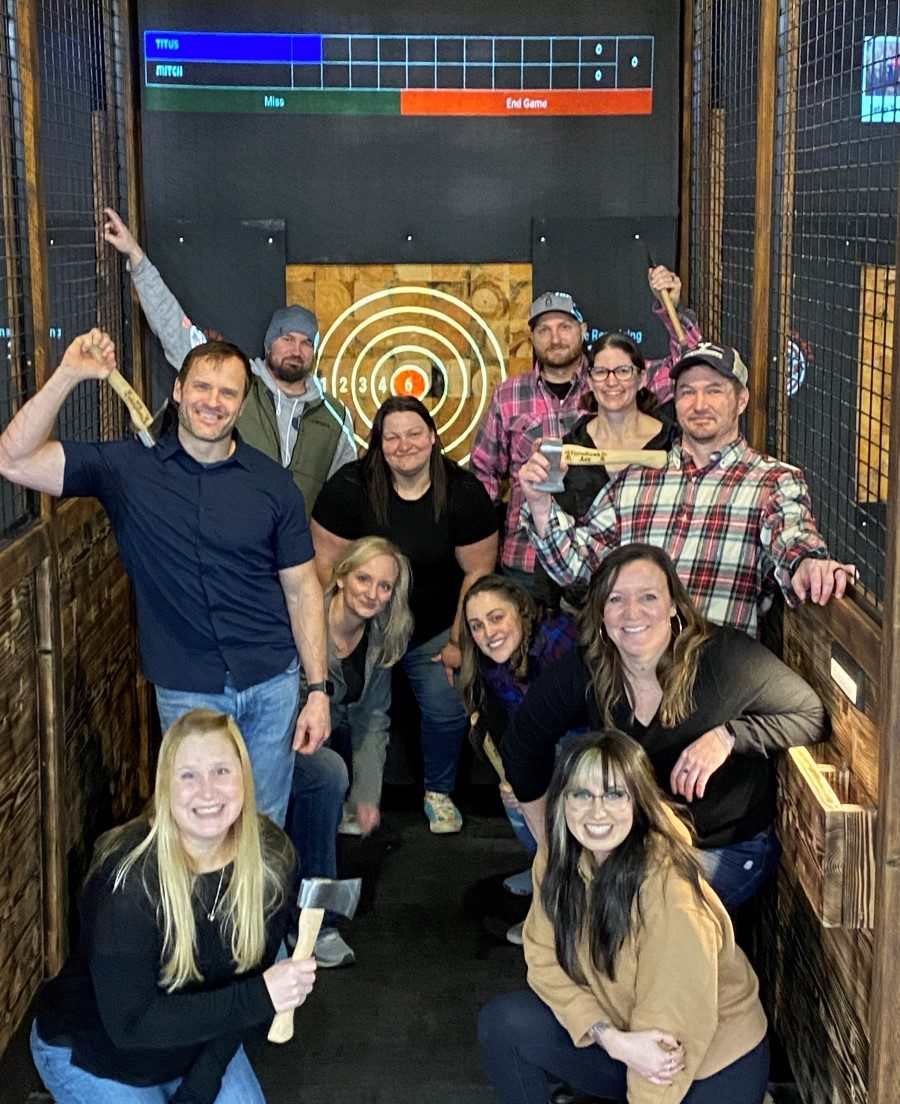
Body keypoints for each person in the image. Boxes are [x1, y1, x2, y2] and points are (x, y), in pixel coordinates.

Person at [0, 331, 330, 826]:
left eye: (227, 393)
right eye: (202, 387)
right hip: (186, 686)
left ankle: (259, 908)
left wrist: (319, 691)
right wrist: (68, 373)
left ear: (242, 404)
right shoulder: (126, 468)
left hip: (271, 680)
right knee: (198, 826)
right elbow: (14, 459)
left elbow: (302, 587)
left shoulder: (272, 483)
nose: (212, 403)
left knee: (263, 828)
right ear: (178, 391)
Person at [501, 543, 827, 910]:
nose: (631, 612)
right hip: (636, 841)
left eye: (649, 597)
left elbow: (810, 713)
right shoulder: (588, 665)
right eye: (616, 599)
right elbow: (522, 741)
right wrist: (551, 852)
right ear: (601, 612)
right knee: (592, 905)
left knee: (641, 914)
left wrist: (729, 736)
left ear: (673, 604)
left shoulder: (723, 657)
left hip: (721, 846)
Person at [30, 709, 317, 1104]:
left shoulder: (270, 860)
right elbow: (132, 1025)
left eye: (221, 771)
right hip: (100, 1052)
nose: (207, 791)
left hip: (194, 1045)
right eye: (188, 775)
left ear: (244, 779)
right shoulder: (127, 883)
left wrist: (197, 1093)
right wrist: (261, 996)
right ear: (164, 787)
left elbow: (241, 1001)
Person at [478, 730, 770, 1104]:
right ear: (562, 801)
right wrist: (608, 1037)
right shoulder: (559, 857)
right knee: (505, 1024)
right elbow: (542, 956)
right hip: (629, 1042)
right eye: (581, 794)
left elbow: (669, 1037)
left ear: (638, 803)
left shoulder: (668, 891)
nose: (596, 812)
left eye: (614, 794)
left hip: (707, 1058)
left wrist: (638, 1071)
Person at [519, 341, 857, 636]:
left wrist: (810, 564)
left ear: (741, 399)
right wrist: (539, 504)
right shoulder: (637, 477)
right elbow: (578, 567)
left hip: (713, 678)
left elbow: (792, 537)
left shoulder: (772, 481)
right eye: (687, 391)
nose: (699, 404)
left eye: (714, 390)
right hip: (635, 671)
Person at [311, 396, 498, 833]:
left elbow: (478, 571)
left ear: (433, 437)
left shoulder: (463, 493)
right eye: (391, 436)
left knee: (447, 703)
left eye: (414, 433)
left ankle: (438, 791)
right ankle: (334, 795)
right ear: (378, 443)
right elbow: (325, 562)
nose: (404, 444)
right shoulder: (351, 486)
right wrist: (341, 625)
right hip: (366, 626)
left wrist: (456, 643)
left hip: (434, 626)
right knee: (336, 706)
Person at [103, 207, 356, 511]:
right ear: (269, 344)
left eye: (306, 343)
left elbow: (345, 493)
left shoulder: (336, 416)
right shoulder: (234, 378)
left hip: (295, 549)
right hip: (226, 536)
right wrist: (135, 256)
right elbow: (175, 330)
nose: (296, 350)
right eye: (286, 339)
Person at [470, 270, 702, 589]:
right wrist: (479, 547)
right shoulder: (509, 394)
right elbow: (484, 474)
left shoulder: (615, 383)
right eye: (544, 329)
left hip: (604, 555)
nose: (555, 338)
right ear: (532, 337)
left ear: (582, 330)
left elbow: (689, 366)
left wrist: (671, 308)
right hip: (525, 557)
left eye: (565, 327)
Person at [286, 536, 413, 968]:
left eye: (384, 586)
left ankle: (312, 914)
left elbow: (373, 718)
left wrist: (367, 795)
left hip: (333, 735)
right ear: (341, 577)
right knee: (328, 774)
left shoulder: (382, 636)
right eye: (363, 578)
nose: (372, 593)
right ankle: (317, 923)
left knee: (341, 771)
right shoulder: (304, 618)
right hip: (287, 734)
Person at [533, 330, 679, 608]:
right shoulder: (567, 449)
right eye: (601, 372)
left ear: (642, 378)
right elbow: (551, 531)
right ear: (589, 380)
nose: (611, 381)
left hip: (656, 603)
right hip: (585, 604)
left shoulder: (672, 443)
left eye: (623, 371)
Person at [459, 575, 578, 912]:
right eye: (477, 626)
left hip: (583, 743)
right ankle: (545, 864)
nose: (488, 633)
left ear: (522, 612)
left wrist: (538, 775)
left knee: (541, 777)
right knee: (513, 789)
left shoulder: (558, 638)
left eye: (497, 618)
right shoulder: (489, 663)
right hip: (539, 745)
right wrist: (515, 775)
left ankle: (568, 877)